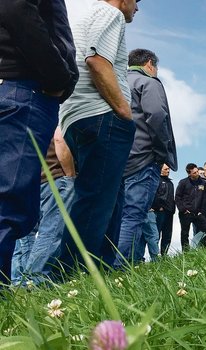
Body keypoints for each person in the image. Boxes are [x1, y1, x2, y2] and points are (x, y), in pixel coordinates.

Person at [56, 0, 140, 274]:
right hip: (102, 115)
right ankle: (70, 274)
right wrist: (124, 111)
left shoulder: (82, 16)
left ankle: (103, 270)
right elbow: (97, 61)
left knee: (109, 197)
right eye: (137, 2)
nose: (137, 9)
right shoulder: (109, 13)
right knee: (96, 200)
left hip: (77, 116)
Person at [0, 0, 78, 285]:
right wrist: (57, 73)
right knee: (8, 201)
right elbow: (16, 6)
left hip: (21, 90)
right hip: (25, 88)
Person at [115, 48, 177, 267]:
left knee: (118, 216)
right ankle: (120, 268)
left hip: (119, 158)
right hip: (143, 157)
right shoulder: (149, 82)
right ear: (150, 64)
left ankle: (124, 263)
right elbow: (157, 116)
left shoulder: (116, 80)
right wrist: (162, 152)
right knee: (134, 214)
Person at [11, 127, 76, 285]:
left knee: (25, 233)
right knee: (52, 230)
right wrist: (70, 175)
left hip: (27, 181)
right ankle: (35, 279)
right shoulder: (52, 108)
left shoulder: (19, 117)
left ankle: (19, 282)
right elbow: (59, 140)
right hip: (54, 176)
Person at [175, 163, 206, 251]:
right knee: (184, 233)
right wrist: (183, 209)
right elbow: (177, 197)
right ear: (189, 173)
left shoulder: (202, 182)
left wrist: (201, 211)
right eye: (194, 173)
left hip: (198, 213)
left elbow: (204, 198)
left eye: (197, 171)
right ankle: (186, 253)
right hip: (186, 213)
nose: (197, 173)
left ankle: (196, 245)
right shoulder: (183, 182)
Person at [151, 164, 175, 256]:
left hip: (169, 213)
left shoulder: (170, 182)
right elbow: (155, 195)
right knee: (156, 235)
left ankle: (164, 256)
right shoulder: (156, 180)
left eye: (169, 169)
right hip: (160, 212)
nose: (168, 170)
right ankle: (155, 257)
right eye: (166, 169)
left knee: (167, 235)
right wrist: (158, 207)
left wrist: (173, 209)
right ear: (160, 170)